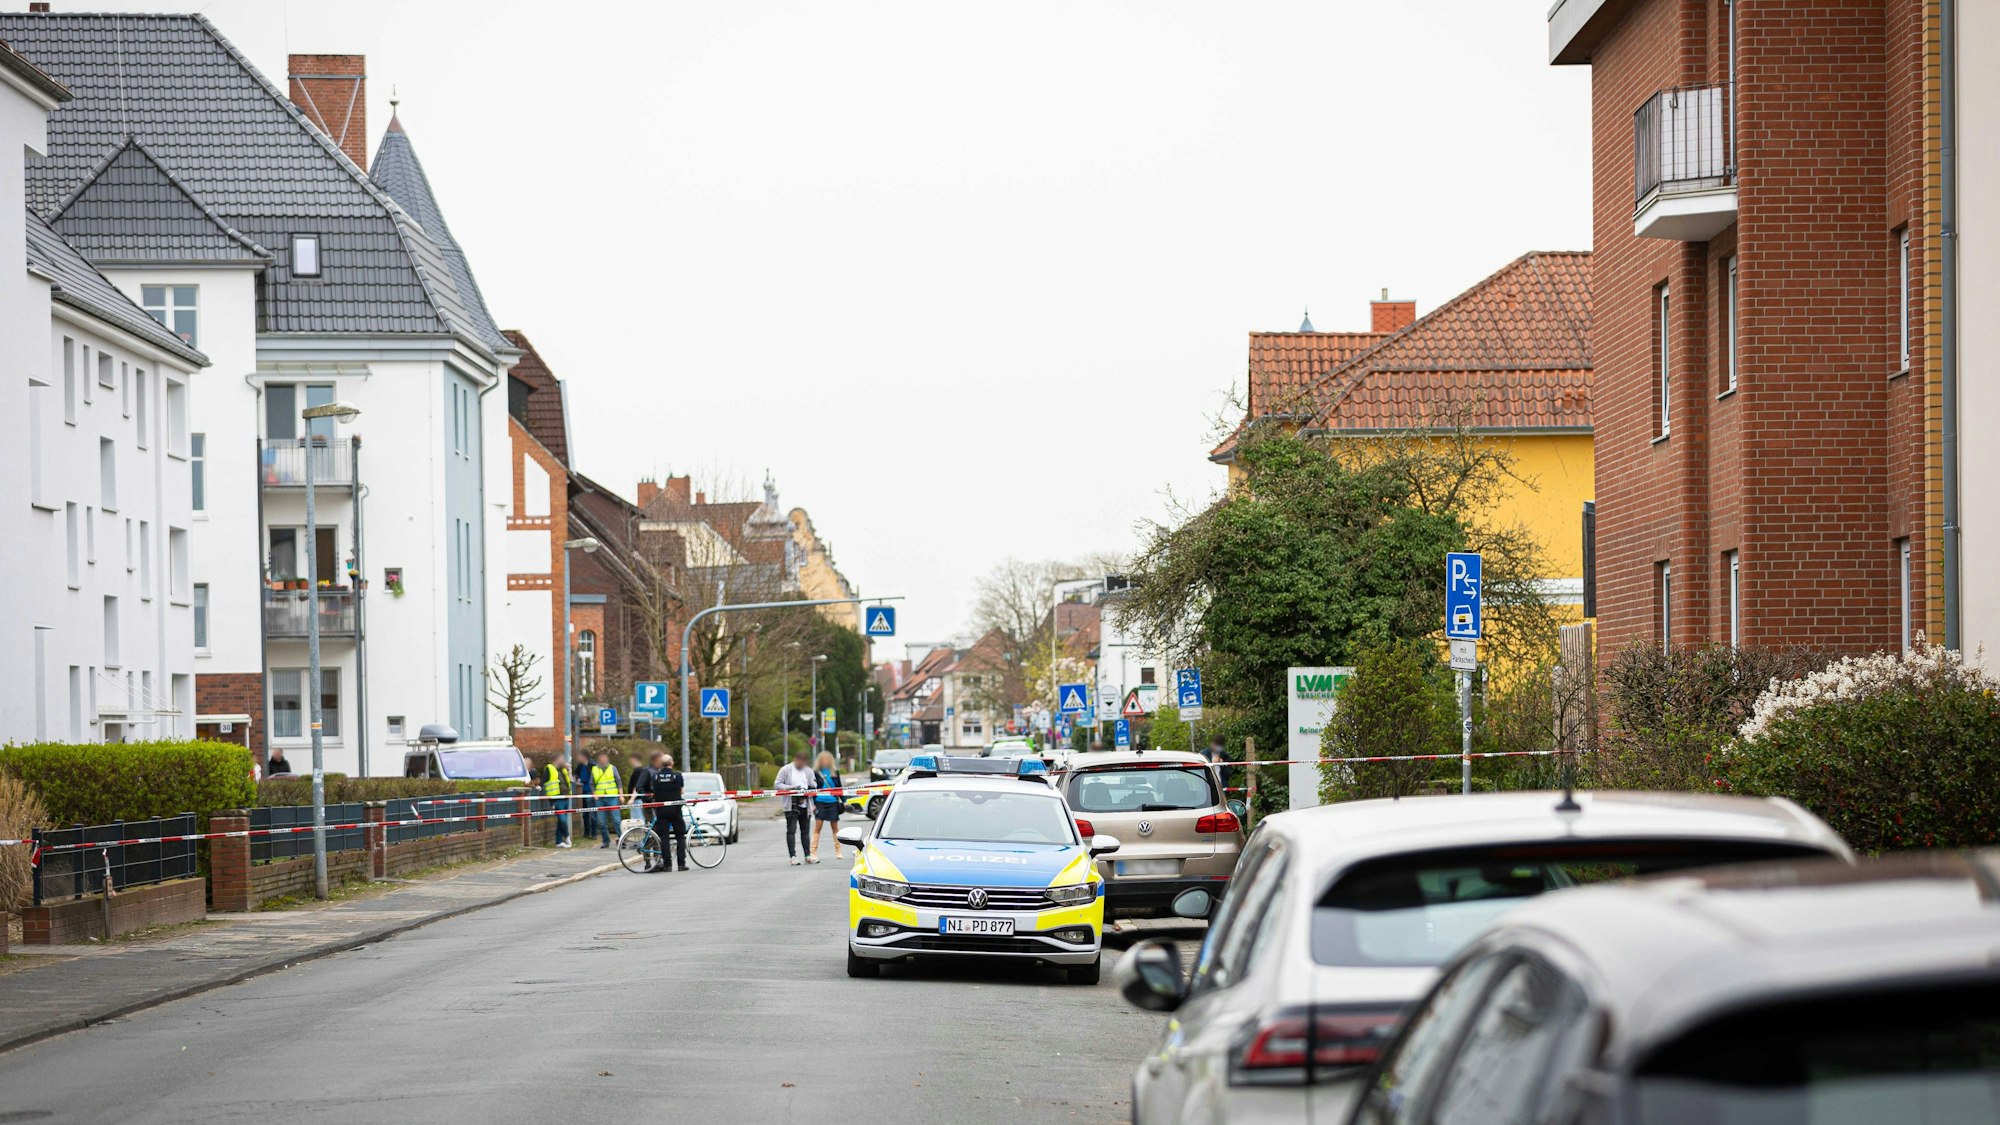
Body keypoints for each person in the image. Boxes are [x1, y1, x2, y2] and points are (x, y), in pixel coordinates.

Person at [641, 751, 687, 872]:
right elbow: (681, 790)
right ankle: (681, 864)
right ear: (672, 763)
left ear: (661, 764)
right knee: (680, 836)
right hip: (676, 810)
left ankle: (667, 865)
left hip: (661, 810)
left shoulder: (656, 777)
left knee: (664, 837)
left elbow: (654, 790)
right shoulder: (677, 776)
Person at [774, 748, 816, 866]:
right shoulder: (786, 770)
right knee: (791, 831)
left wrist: (811, 788)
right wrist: (791, 788)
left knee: (805, 831)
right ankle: (793, 856)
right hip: (791, 805)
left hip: (805, 804)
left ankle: (807, 855)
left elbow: (814, 784)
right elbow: (777, 784)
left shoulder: (808, 771)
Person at [808, 750, 844, 863]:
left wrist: (844, 801)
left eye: (827, 759)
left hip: (833, 801)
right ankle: (813, 851)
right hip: (820, 801)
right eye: (823, 759)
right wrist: (812, 803)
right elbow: (811, 788)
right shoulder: (815, 772)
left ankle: (838, 850)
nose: (825, 761)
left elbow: (839, 787)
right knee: (817, 827)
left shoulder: (835, 772)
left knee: (835, 827)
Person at [588, 750, 622, 848]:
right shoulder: (594, 769)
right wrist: (595, 794)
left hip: (612, 797)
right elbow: (592, 784)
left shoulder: (612, 768)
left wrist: (621, 795)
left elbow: (618, 781)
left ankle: (621, 839)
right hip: (600, 798)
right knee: (601, 821)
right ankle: (606, 841)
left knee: (616, 820)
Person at [541, 756, 573, 848]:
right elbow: (543, 781)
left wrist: (569, 771)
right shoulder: (550, 768)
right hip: (556, 799)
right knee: (562, 819)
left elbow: (570, 781)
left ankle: (558, 841)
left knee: (561, 821)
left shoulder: (563, 770)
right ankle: (567, 836)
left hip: (566, 797)